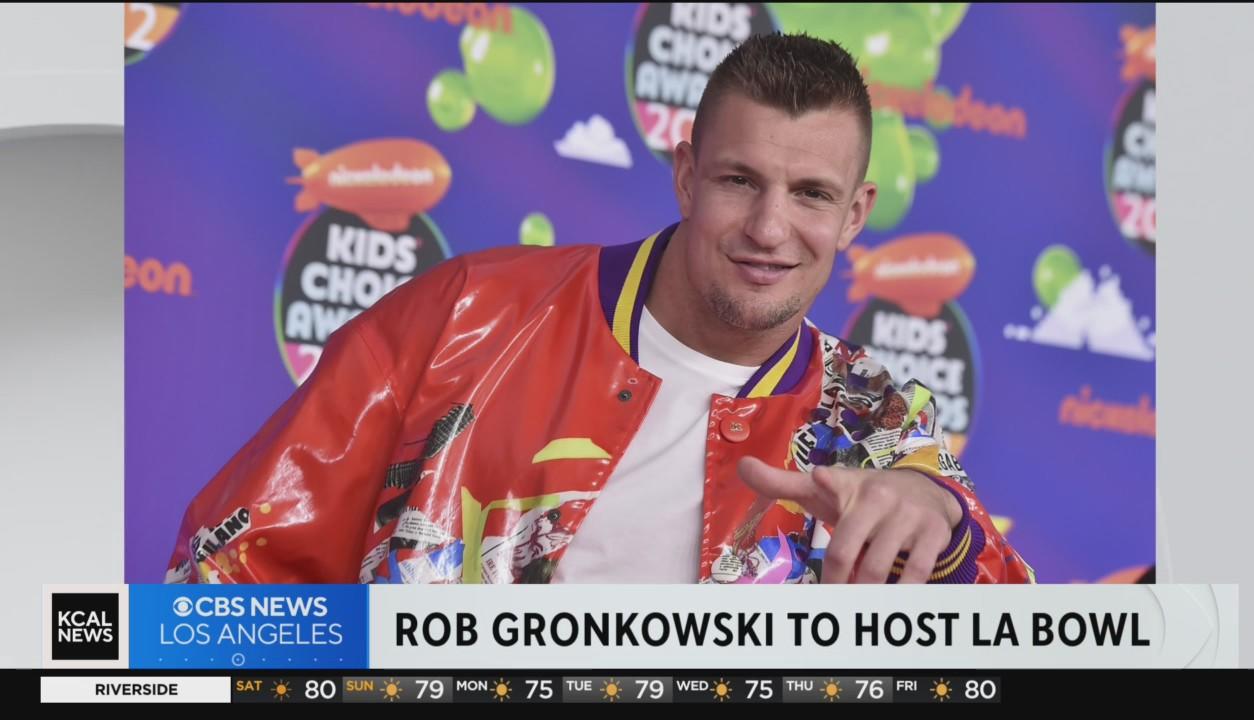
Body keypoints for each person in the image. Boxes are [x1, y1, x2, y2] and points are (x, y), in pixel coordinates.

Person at [165, 33, 1034, 586]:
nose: (770, 229)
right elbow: (231, 575)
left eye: (811, 193)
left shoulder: (875, 418)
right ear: (687, 176)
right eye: (740, 180)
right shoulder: (466, 312)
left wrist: (947, 529)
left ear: (855, 215)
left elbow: (1019, 639)